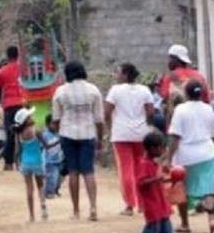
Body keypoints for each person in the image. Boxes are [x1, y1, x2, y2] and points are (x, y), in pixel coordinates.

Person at [52, 60, 104, 221]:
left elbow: (55, 118)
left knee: (73, 171)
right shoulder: (93, 90)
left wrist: (58, 131)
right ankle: (93, 208)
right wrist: (100, 138)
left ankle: (76, 211)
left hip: (67, 134)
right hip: (88, 133)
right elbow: (99, 120)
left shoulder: (60, 91)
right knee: (88, 171)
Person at [129, 131, 187, 233]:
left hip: (161, 205)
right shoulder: (144, 164)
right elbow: (141, 183)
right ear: (152, 148)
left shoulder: (154, 164)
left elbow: (158, 181)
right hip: (153, 207)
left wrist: (171, 178)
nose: (163, 150)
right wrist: (157, 179)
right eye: (161, 147)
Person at [166, 80, 214, 233]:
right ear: (201, 93)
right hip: (207, 153)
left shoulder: (180, 110)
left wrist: (169, 158)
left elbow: (175, 137)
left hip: (185, 156)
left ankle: (185, 223)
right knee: (209, 190)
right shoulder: (209, 109)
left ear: (186, 93)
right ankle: (212, 221)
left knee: (181, 190)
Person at [105, 63, 154, 216]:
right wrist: (146, 125)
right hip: (141, 134)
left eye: (118, 73)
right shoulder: (144, 89)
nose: (116, 75)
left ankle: (129, 205)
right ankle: (142, 204)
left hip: (121, 134)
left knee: (126, 169)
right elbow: (151, 112)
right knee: (140, 168)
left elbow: (107, 112)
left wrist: (110, 127)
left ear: (125, 75)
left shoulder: (115, 90)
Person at [159, 44, 211, 126]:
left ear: (176, 59)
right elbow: (207, 99)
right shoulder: (199, 76)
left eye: (170, 58)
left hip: (177, 125)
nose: (168, 62)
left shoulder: (170, 77)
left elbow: (165, 96)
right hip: (198, 123)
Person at [14, 107, 49, 222]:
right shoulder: (36, 130)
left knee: (29, 188)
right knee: (40, 185)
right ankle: (43, 207)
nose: (32, 117)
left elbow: (18, 151)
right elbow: (45, 144)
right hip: (37, 162)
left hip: (25, 163)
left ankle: (31, 215)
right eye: (30, 116)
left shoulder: (19, 134)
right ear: (27, 120)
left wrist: (16, 162)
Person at [0, 46, 26, 171]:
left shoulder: (2, 71)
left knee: (10, 134)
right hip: (24, 104)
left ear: (7, 56)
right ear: (18, 55)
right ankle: (24, 161)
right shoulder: (24, 69)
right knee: (25, 133)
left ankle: (8, 163)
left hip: (9, 105)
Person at [42, 114, 63, 199]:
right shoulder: (45, 135)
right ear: (47, 124)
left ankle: (55, 190)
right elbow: (42, 147)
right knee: (52, 177)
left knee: (60, 178)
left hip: (60, 159)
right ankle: (49, 192)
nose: (56, 126)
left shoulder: (59, 134)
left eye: (57, 123)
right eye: (53, 123)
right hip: (50, 161)